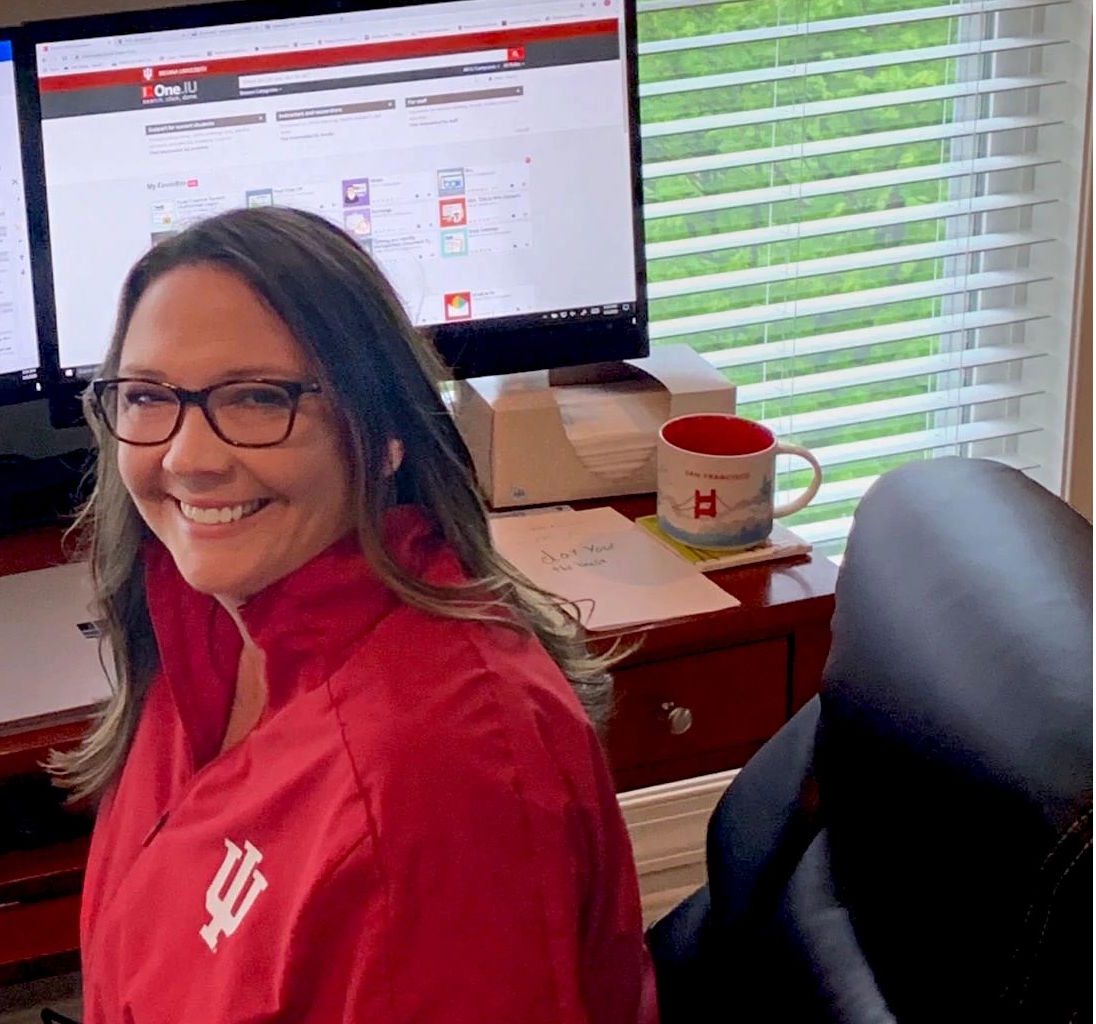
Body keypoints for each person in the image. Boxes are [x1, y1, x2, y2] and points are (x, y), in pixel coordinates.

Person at [51, 207, 658, 1023]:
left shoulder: (440, 778)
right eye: (150, 396)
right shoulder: (204, 621)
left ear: (383, 433)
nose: (188, 458)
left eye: (260, 398)